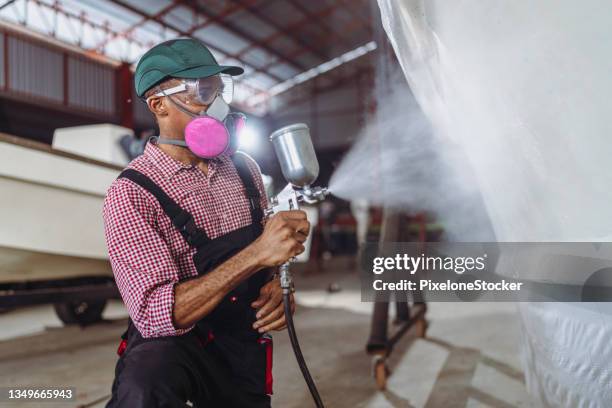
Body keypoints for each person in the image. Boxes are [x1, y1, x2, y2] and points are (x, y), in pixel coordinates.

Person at [102, 38, 310, 407]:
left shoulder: (244, 170)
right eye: (203, 91)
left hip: (238, 347)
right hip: (176, 352)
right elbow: (153, 314)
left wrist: (280, 285)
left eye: (220, 89)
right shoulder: (131, 194)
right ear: (158, 104)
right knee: (148, 377)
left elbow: (268, 258)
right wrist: (256, 255)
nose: (219, 106)